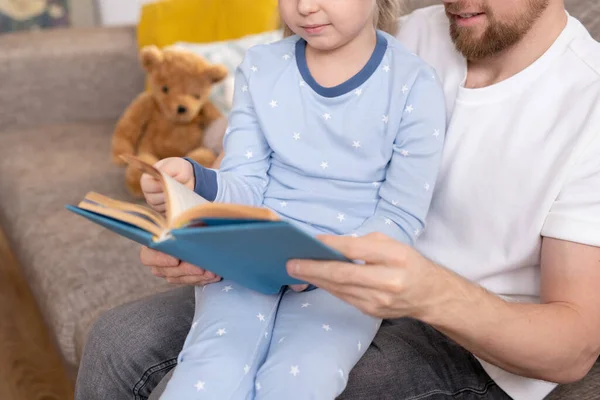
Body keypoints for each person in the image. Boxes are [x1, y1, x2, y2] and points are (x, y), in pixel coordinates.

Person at [75, 0, 600, 400]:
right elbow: (277, 141)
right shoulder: (410, 32)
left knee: (294, 378)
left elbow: (574, 348)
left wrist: (426, 292)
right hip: (306, 262)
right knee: (118, 339)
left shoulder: (587, 103)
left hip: (465, 335)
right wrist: (198, 215)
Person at [120, 0, 447, 399]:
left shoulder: (415, 83)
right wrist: (194, 180)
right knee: (209, 370)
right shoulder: (261, 66)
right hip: (252, 259)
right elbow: (245, 183)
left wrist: (322, 266)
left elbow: (400, 218)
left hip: (348, 275)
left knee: (300, 379)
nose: (306, 6)